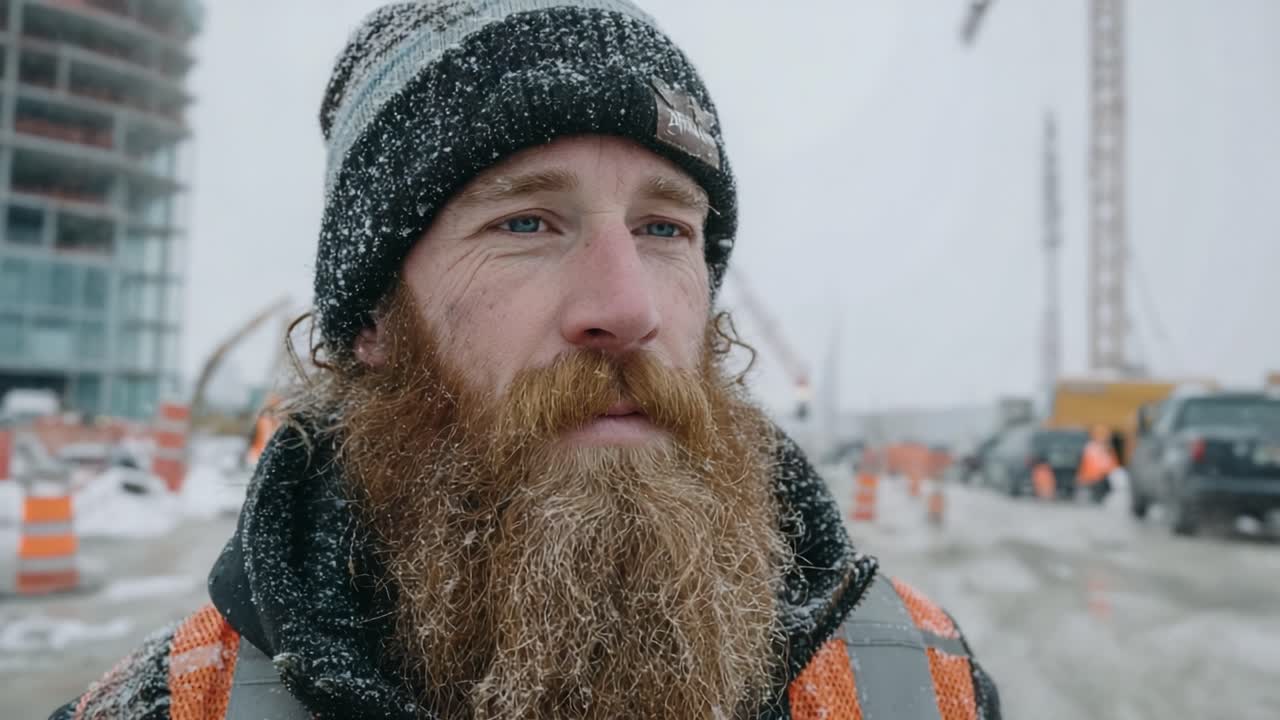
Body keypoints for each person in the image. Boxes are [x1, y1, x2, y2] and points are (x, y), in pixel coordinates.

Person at [54, 2, 1001, 718]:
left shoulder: (921, 682)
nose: (627, 309)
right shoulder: (176, 705)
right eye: (525, 222)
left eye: (665, 228)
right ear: (374, 320)